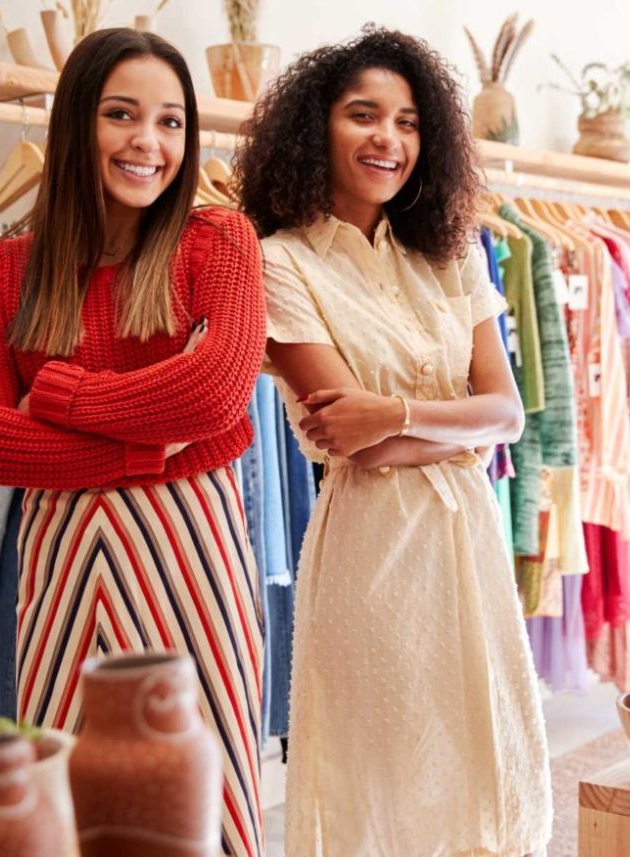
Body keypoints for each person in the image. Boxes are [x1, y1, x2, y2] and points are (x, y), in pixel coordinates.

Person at [0, 28, 266, 856]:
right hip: (61, 560)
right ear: (75, 123)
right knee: (68, 781)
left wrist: (61, 392)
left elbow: (218, 392)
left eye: (170, 123)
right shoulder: (1, 274)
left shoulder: (219, 243)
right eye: (122, 115)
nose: (147, 143)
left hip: (192, 548)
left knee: (208, 774)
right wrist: (145, 447)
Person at [238, 27, 551, 856]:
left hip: (470, 539)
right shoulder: (278, 263)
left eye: (409, 122)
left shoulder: (453, 253)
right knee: (381, 779)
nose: (389, 138)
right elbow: (356, 442)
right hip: (373, 547)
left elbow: (510, 414)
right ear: (318, 129)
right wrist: (434, 425)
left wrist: (398, 415)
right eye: (364, 115)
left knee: (485, 759)